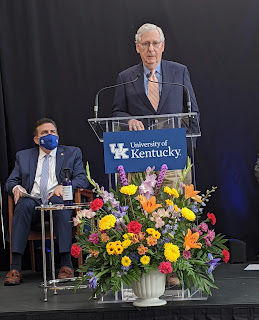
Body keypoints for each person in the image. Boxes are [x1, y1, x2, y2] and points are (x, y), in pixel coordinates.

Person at [111, 23, 200, 186]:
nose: (150, 49)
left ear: (162, 46)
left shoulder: (179, 72)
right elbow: (117, 112)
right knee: (141, 209)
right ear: (138, 47)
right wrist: (129, 120)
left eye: (155, 43)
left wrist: (188, 147)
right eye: (145, 44)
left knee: (173, 209)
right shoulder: (125, 77)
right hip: (139, 157)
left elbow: (192, 110)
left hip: (174, 155)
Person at [4, 118, 88, 285]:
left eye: (53, 132)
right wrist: (16, 189)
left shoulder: (72, 153)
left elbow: (82, 179)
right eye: (44, 133)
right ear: (36, 139)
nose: (50, 136)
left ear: (58, 135)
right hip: (33, 203)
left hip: (57, 201)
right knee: (22, 204)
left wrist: (65, 186)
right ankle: (15, 268)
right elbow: (10, 181)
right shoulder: (24, 156)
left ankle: (66, 265)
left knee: (59, 202)